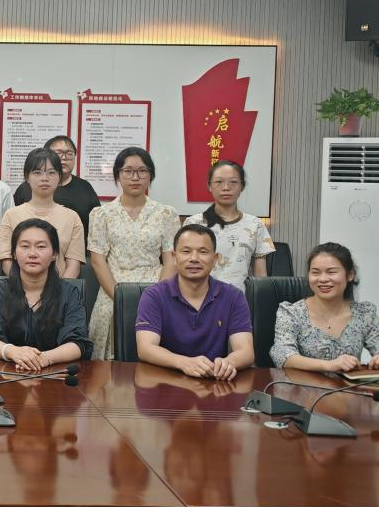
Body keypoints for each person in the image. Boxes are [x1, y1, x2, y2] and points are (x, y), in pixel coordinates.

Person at [88, 147, 180, 359]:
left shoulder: (166, 213)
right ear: (118, 175)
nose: (135, 177)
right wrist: (121, 298)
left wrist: (157, 297)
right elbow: (98, 260)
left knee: (156, 357)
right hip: (113, 290)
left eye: (142, 171)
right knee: (108, 365)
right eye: (128, 171)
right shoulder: (101, 214)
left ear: (151, 175)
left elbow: (171, 260)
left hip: (155, 288)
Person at [135, 224, 254, 380]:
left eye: (203, 252)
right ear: (174, 257)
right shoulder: (153, 295)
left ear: (215, 259)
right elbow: (146, 348)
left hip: (214, 382)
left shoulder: (233, 296)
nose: (194, 258)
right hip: (166, 381)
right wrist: (184, 363)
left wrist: (228, 363)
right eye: (186, 251)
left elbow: (246, 351)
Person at [272, 242, 379, 377]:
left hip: (349, 388)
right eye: (315, 272)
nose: (323, 279)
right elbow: (282, 355)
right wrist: (330, 365)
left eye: (332, 272)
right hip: (304, 388)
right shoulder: (291, 313)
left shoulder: (364, 314)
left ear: (350, 275)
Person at [0, 218, 91, 371]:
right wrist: (13, 352)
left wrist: (45, 358)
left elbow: (78, 343)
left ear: (54, 254)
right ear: (14, 253)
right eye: (25, 246)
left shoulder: (69, 293)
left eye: (41, 247)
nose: (32, 254)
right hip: (7, 372)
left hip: (55, 374)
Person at [183, 160, 274, 292]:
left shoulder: (255, 225)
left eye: (233, 182)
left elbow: (260, 276)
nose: (226, 188)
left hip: (240, 299)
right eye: (219, 182)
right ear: (209, 186)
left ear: (242, 186)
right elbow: (184, 268)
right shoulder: (193, 223)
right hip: (200, 296)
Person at [0, 148, 87, 279]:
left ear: (59, 177)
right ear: (27, 177)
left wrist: (60, 290)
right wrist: (27, 287)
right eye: (37, 172)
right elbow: (6, 262)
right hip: (18, 288)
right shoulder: (11, 215)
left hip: (60, 288)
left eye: (51, 172)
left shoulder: (72, 218)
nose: (44, 178)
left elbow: (73, 266)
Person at [12, 135, 100, 237]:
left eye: (69, 153)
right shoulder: (27, 187)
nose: (64, 158)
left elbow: (97, 225)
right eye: (58, 153)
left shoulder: (85, 187)